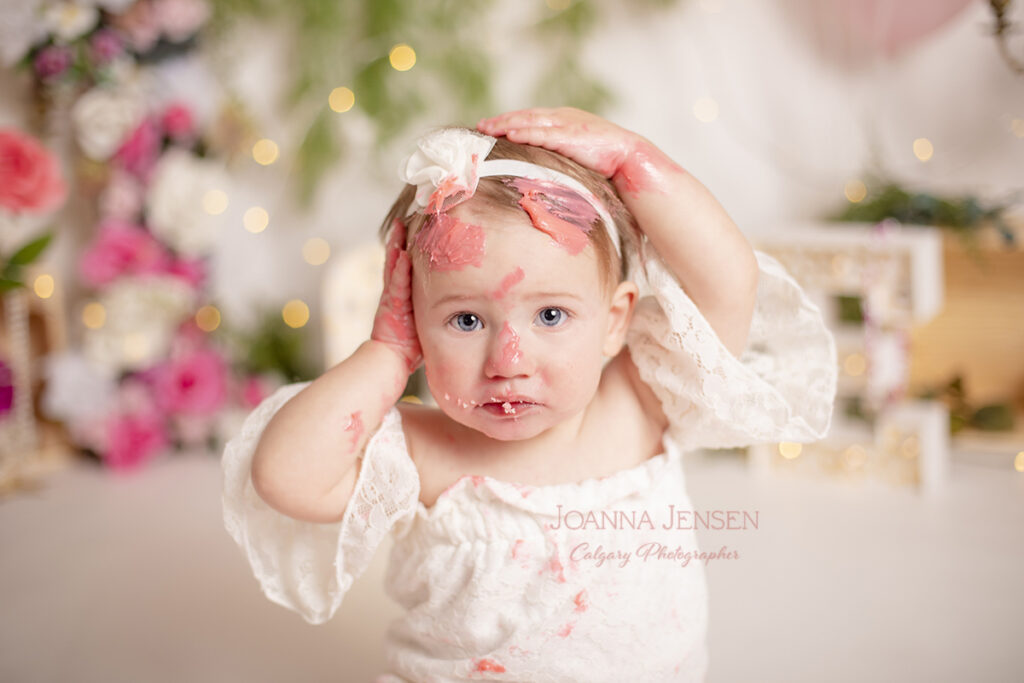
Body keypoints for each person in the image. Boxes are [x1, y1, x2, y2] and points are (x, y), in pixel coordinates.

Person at [221, 107, 837, 681]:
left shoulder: (639, 400)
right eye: (466, 321)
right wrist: (384, 354)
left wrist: (634, 160)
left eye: (550, 316)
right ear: (415, 322)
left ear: (616, 319)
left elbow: (727, 283)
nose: (507, 362)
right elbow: (286, 478)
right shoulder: (422, 453)